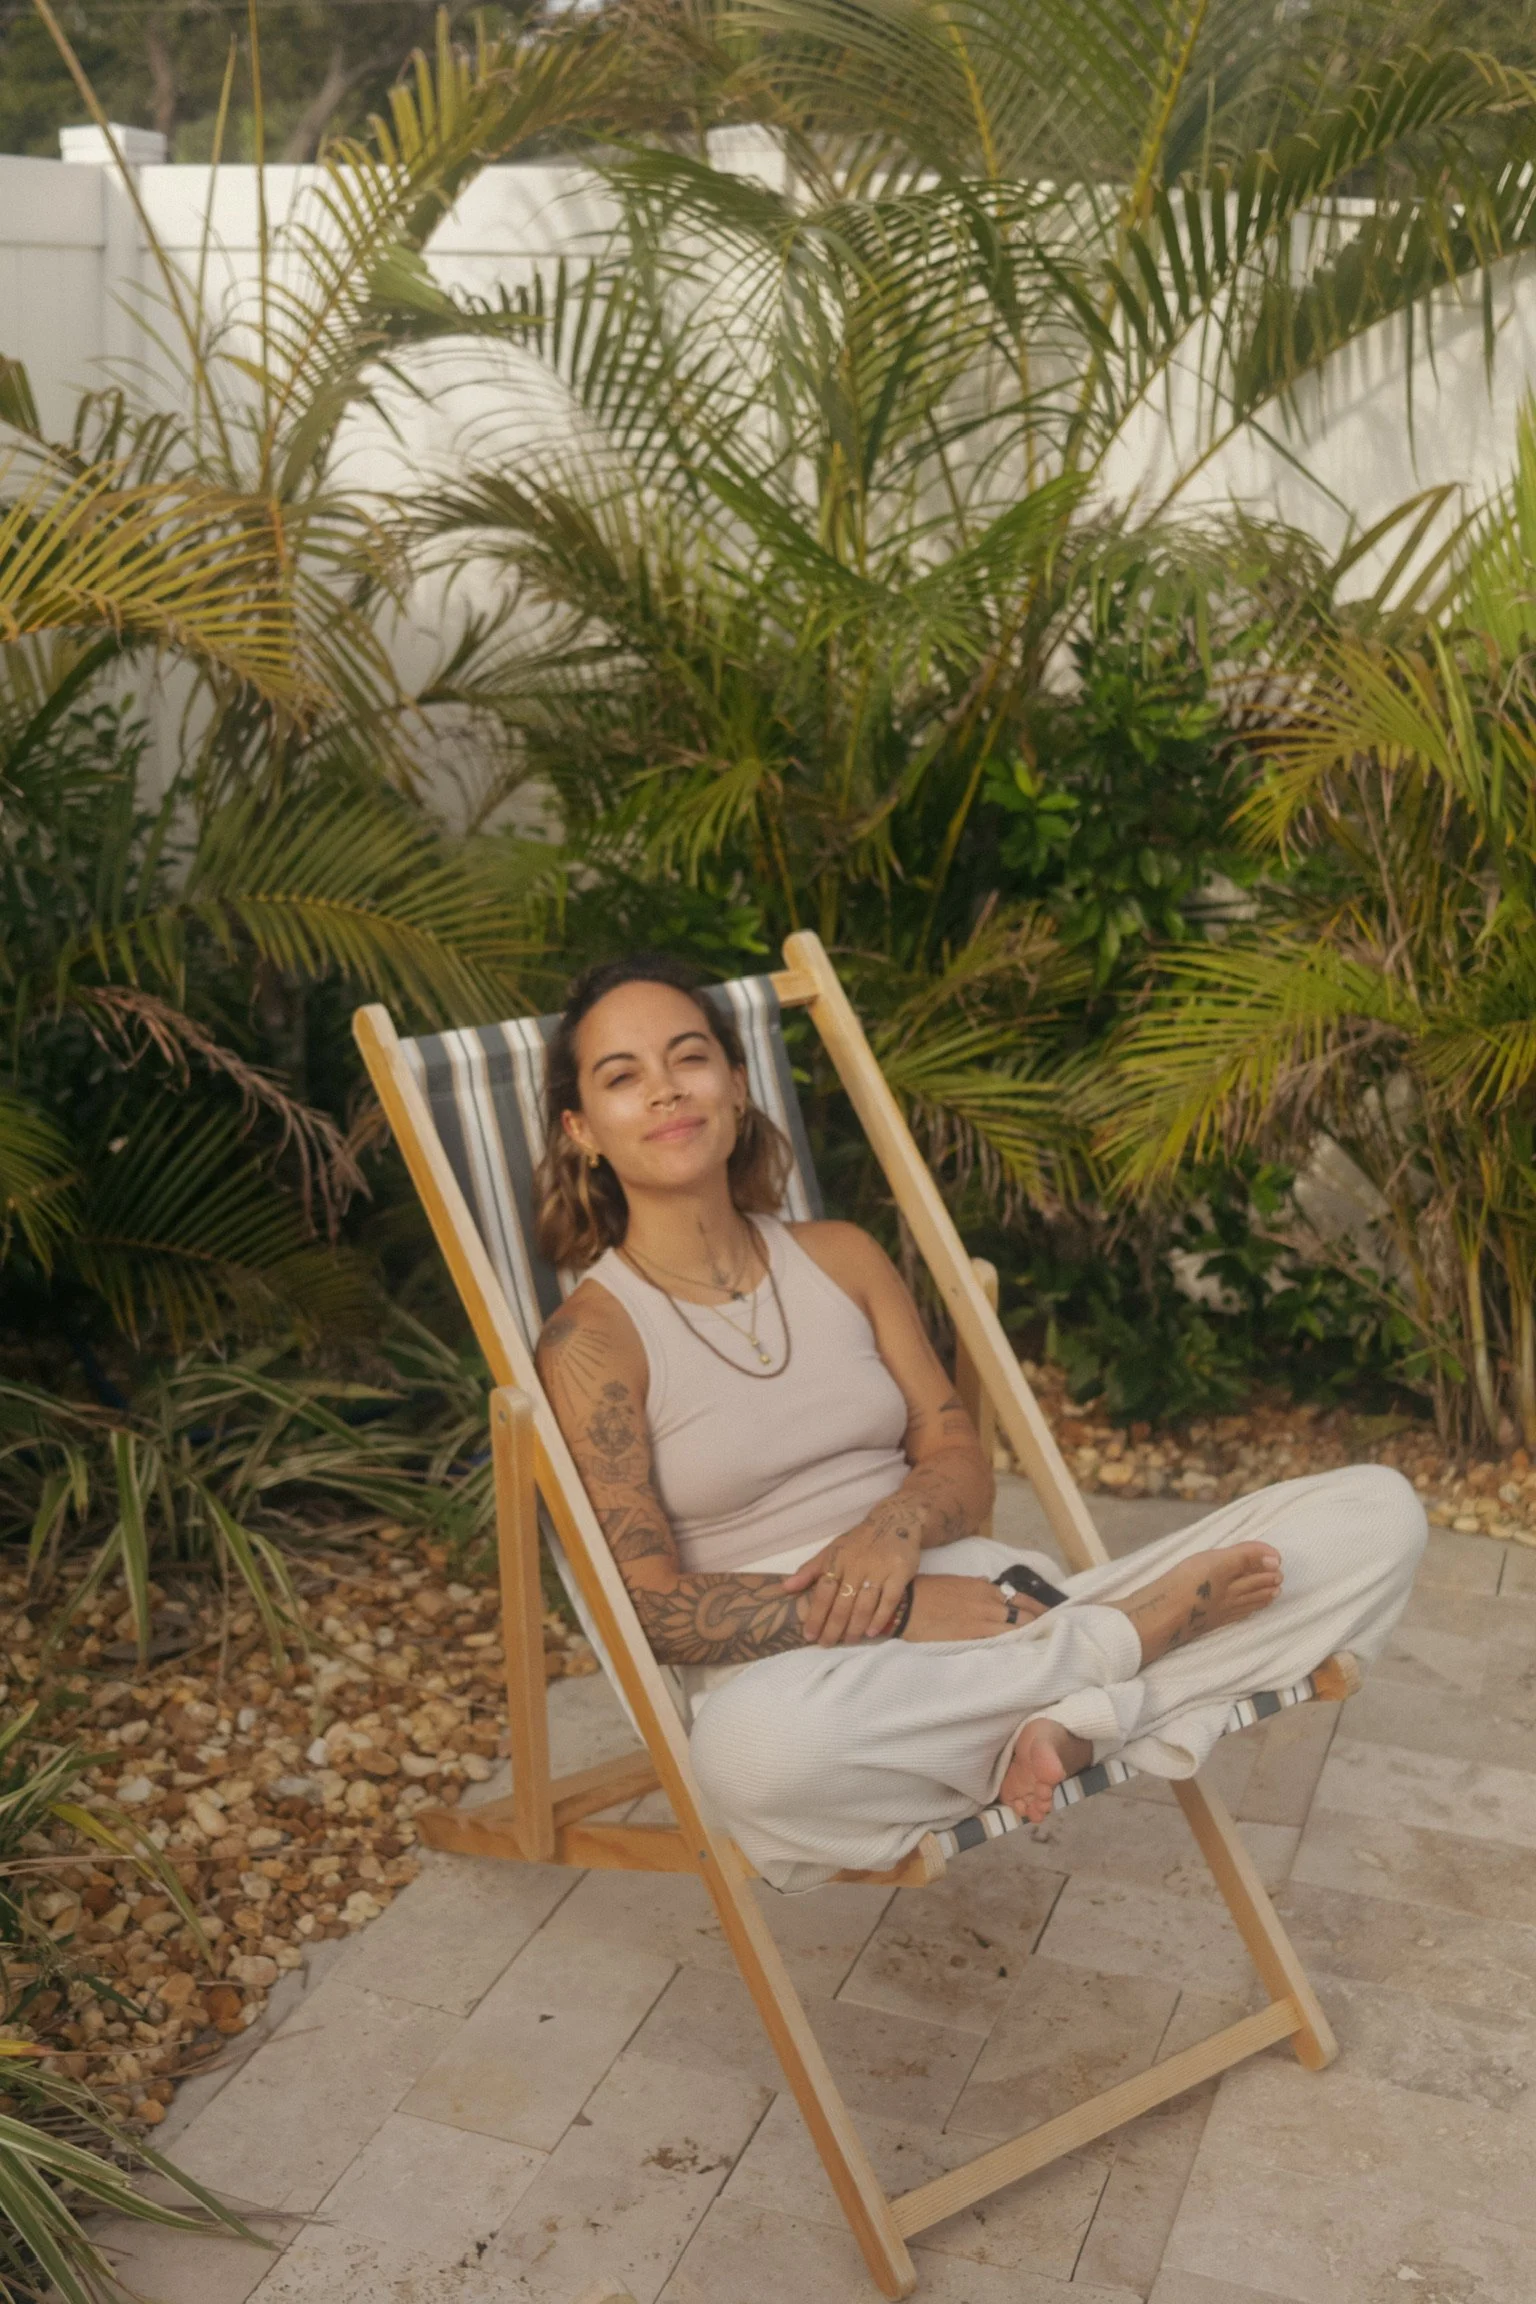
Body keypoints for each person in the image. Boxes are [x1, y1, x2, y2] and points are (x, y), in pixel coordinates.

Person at [533, 954, 1427, 1893]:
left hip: (1001, 1610)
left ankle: (1062, 1702)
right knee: (756, 1759)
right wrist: (904, 1609)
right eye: (622, 1076)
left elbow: (958, 1455)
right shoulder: (591, 1343)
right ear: (583, 1130)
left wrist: (896, 1529)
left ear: (738, 1087)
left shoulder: (839, 1256)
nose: (667, 1090)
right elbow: (644, 1610)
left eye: (689, 1058)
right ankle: (1113, 1666)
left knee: (1378, 1513)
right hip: (805, 1671)